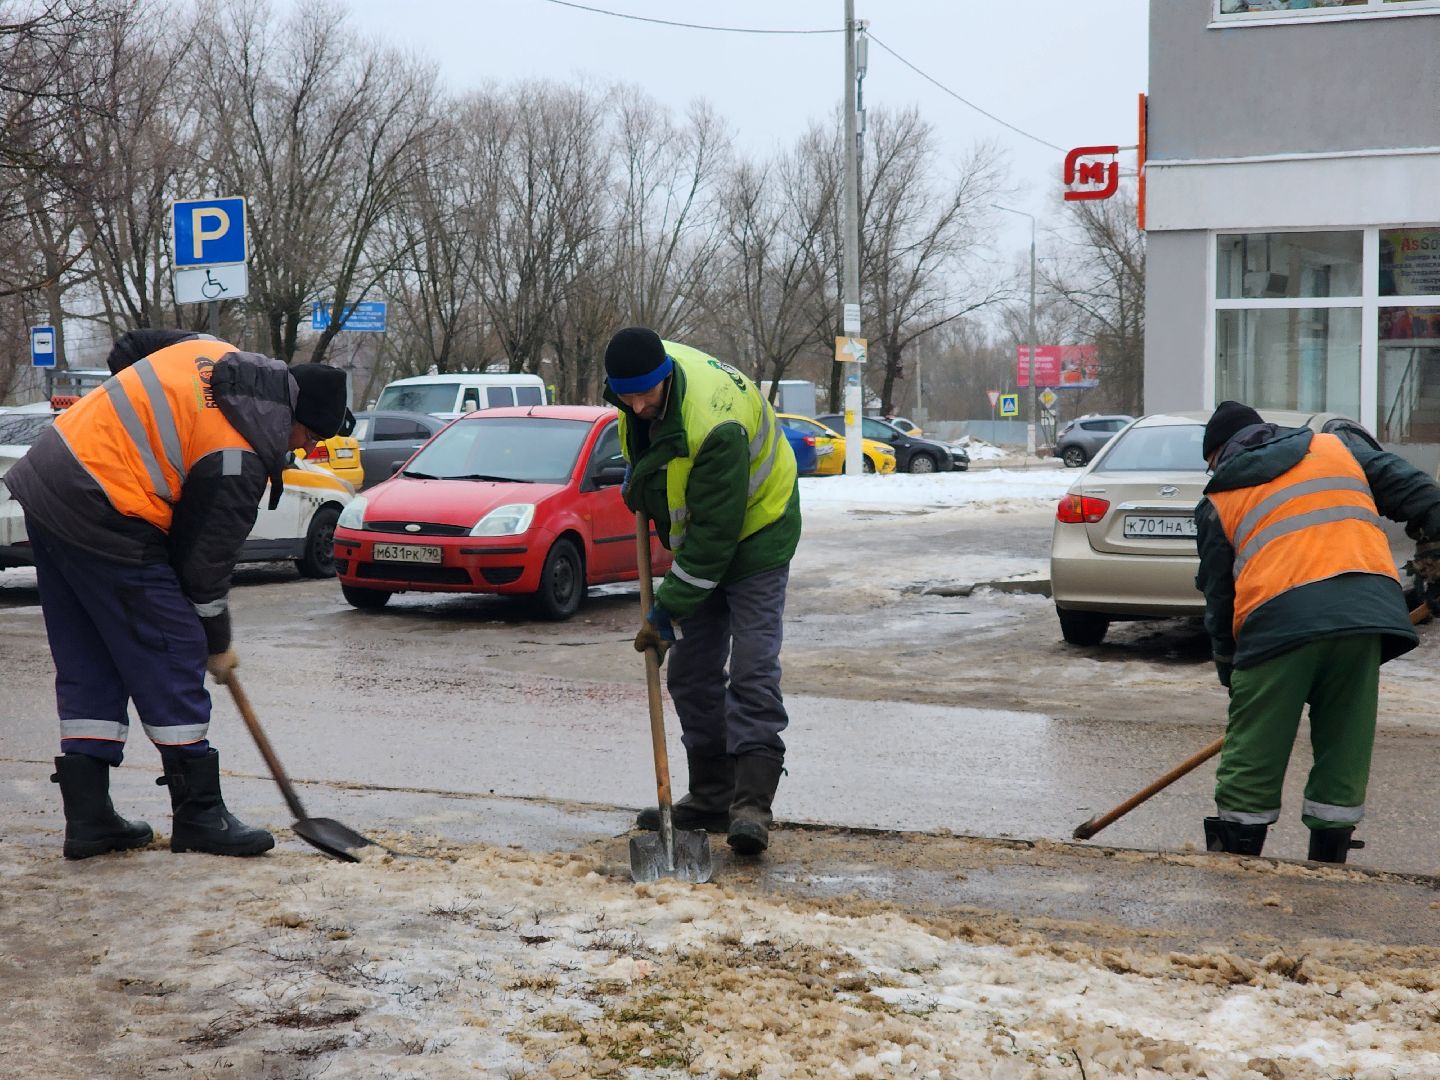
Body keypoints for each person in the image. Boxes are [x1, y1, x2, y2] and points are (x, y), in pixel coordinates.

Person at [4, 329, 354, 860]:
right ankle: (200, 815)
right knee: (171, 643)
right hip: (108, 505)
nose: (306, 449)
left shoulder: (209, 349)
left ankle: (90, 818)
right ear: (291, 414)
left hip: (49, 479)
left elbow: (130, 348)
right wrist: (215, 641)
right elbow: (203, 572)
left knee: (91, 655)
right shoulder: (237, 459)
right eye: (309, 437)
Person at [1194, 400, 1440, 863]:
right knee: (1345, 739)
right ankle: (1330, 862)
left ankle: (1236, 863)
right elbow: (1425, 495)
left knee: (1254, 753)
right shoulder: (1336, 449)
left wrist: (1232, 672)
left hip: (1277, 621)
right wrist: (1436, 560)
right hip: (1366, 614)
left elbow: (1219, 597)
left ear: (1220, 452)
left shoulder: (1219, 499)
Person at [603, 327, 801, 854]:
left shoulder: (716, 424)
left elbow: (716, 540)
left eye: (646, 393)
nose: (638, 405)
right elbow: (656, 467)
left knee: (754, 667)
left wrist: (666, 611)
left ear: (665, 375)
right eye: (627, 395)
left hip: (760, 530)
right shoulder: (634, 400)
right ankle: (713, 796)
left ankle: (752, 807)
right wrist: (638, 482)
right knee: (691, 672)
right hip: (706, 541)